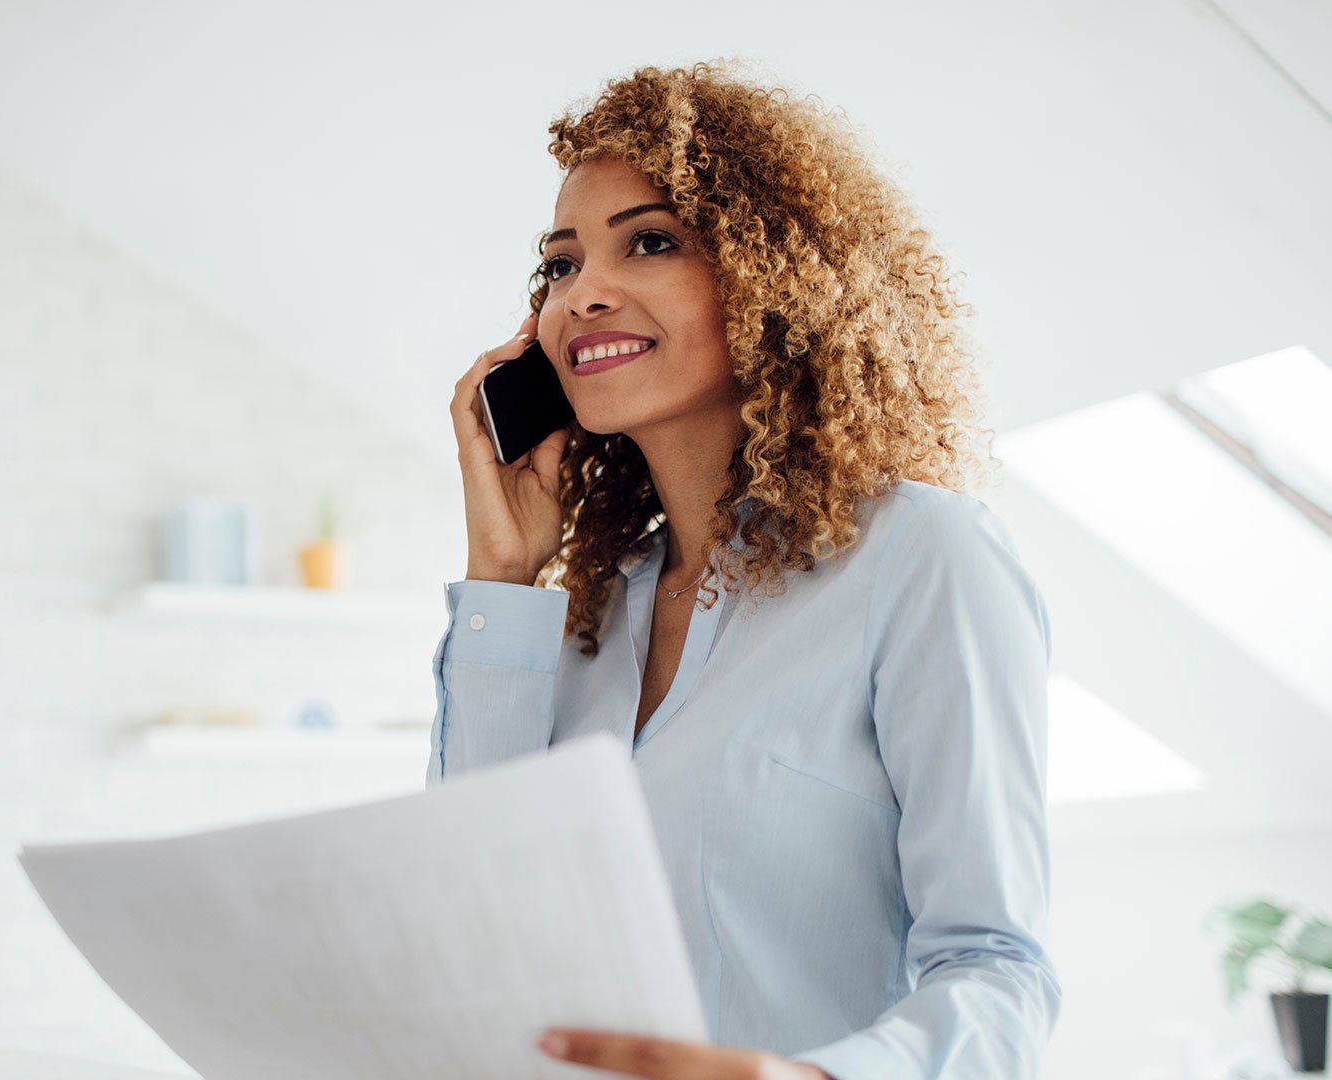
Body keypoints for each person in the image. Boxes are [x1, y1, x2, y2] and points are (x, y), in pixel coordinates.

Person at [433, 61, 1060, 1080]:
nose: (581, 294)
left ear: (776, 275)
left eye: (650, 242)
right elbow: (473, 921)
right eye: (559, 265)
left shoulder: (921, 559)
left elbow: (997, 968)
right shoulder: (582, 620)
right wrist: (501, 581)